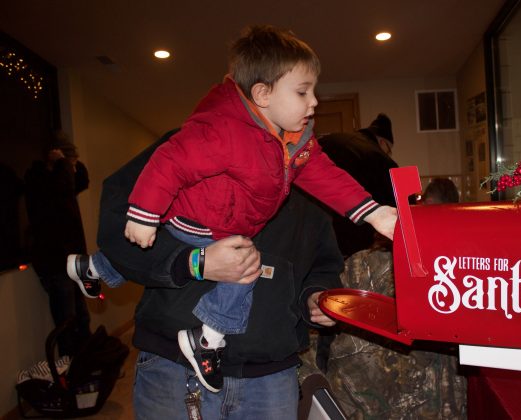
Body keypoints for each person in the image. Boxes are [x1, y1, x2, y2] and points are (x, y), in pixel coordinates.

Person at [67, 25, 397, 392]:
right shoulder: (219, 131)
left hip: (270, 364)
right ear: (263, 94)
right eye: (303, 92)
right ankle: (206, 340)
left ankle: (94, 266)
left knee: (239, 261)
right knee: (243, 267)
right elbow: (168, 164)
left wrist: (373, 212)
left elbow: (325, 178)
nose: (314, 102)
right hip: (192, 233)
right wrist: (152, 221)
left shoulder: (295, 147)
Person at [96, 130, 343, 419]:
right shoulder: (194, 141)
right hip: (174, 370)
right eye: (301, 91)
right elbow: (118, 222)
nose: (312, 102)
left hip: (271, 381)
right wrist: (193, 262)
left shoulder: (309, 167)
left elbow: (324, 263)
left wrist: (314, 296)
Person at [23, 135, 92, 357]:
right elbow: (63, 187)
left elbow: (82, 181)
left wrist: (69, 163)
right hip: (55, 263)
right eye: (70, 161)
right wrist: (62, 163)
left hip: (71, 262)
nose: (73, 167)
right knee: (67, 323)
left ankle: (86, 363)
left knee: (82, 317)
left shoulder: (63, 180)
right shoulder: (39, 179)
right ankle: (71, 370)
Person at [317, 113, 399, 257]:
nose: (388, 153)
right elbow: (396, 201)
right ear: (382, 142)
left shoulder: (332, 140)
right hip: (348, 235)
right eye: (389, 149)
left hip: (312, 221)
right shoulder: (378, 156)